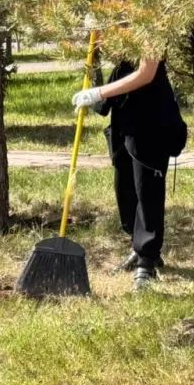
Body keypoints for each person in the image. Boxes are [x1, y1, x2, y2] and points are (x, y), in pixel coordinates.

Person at [72, 53, 187, 290]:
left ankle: (147, 260)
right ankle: (137, 246)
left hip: (151, 118)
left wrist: (100, 92)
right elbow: (117, 51)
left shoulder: (151, 22)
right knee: (125, 189)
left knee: (147, 191)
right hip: (124, 117)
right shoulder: (120, 21)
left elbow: (146, 73)